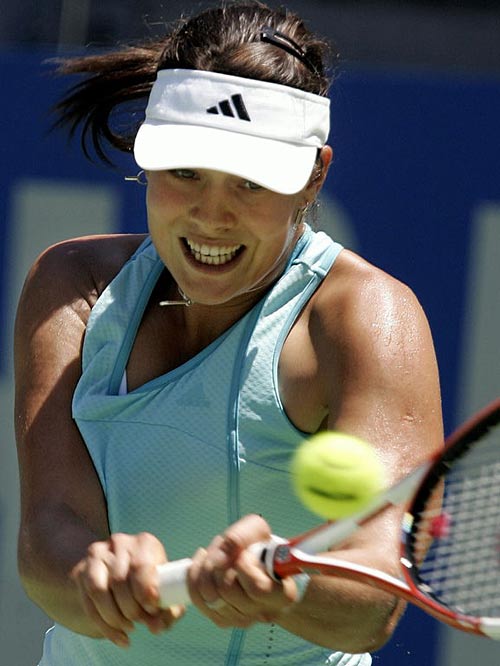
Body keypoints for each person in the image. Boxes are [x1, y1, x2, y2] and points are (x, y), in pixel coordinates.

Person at [14, 1, 443, 664]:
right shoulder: (70, 287)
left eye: (250, 183)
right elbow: (47, 536)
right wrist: (96, 574)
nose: (211, 216)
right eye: (185, 172)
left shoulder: (368, 318)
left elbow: (378, 600)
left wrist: (286, 583)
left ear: (314, 174)